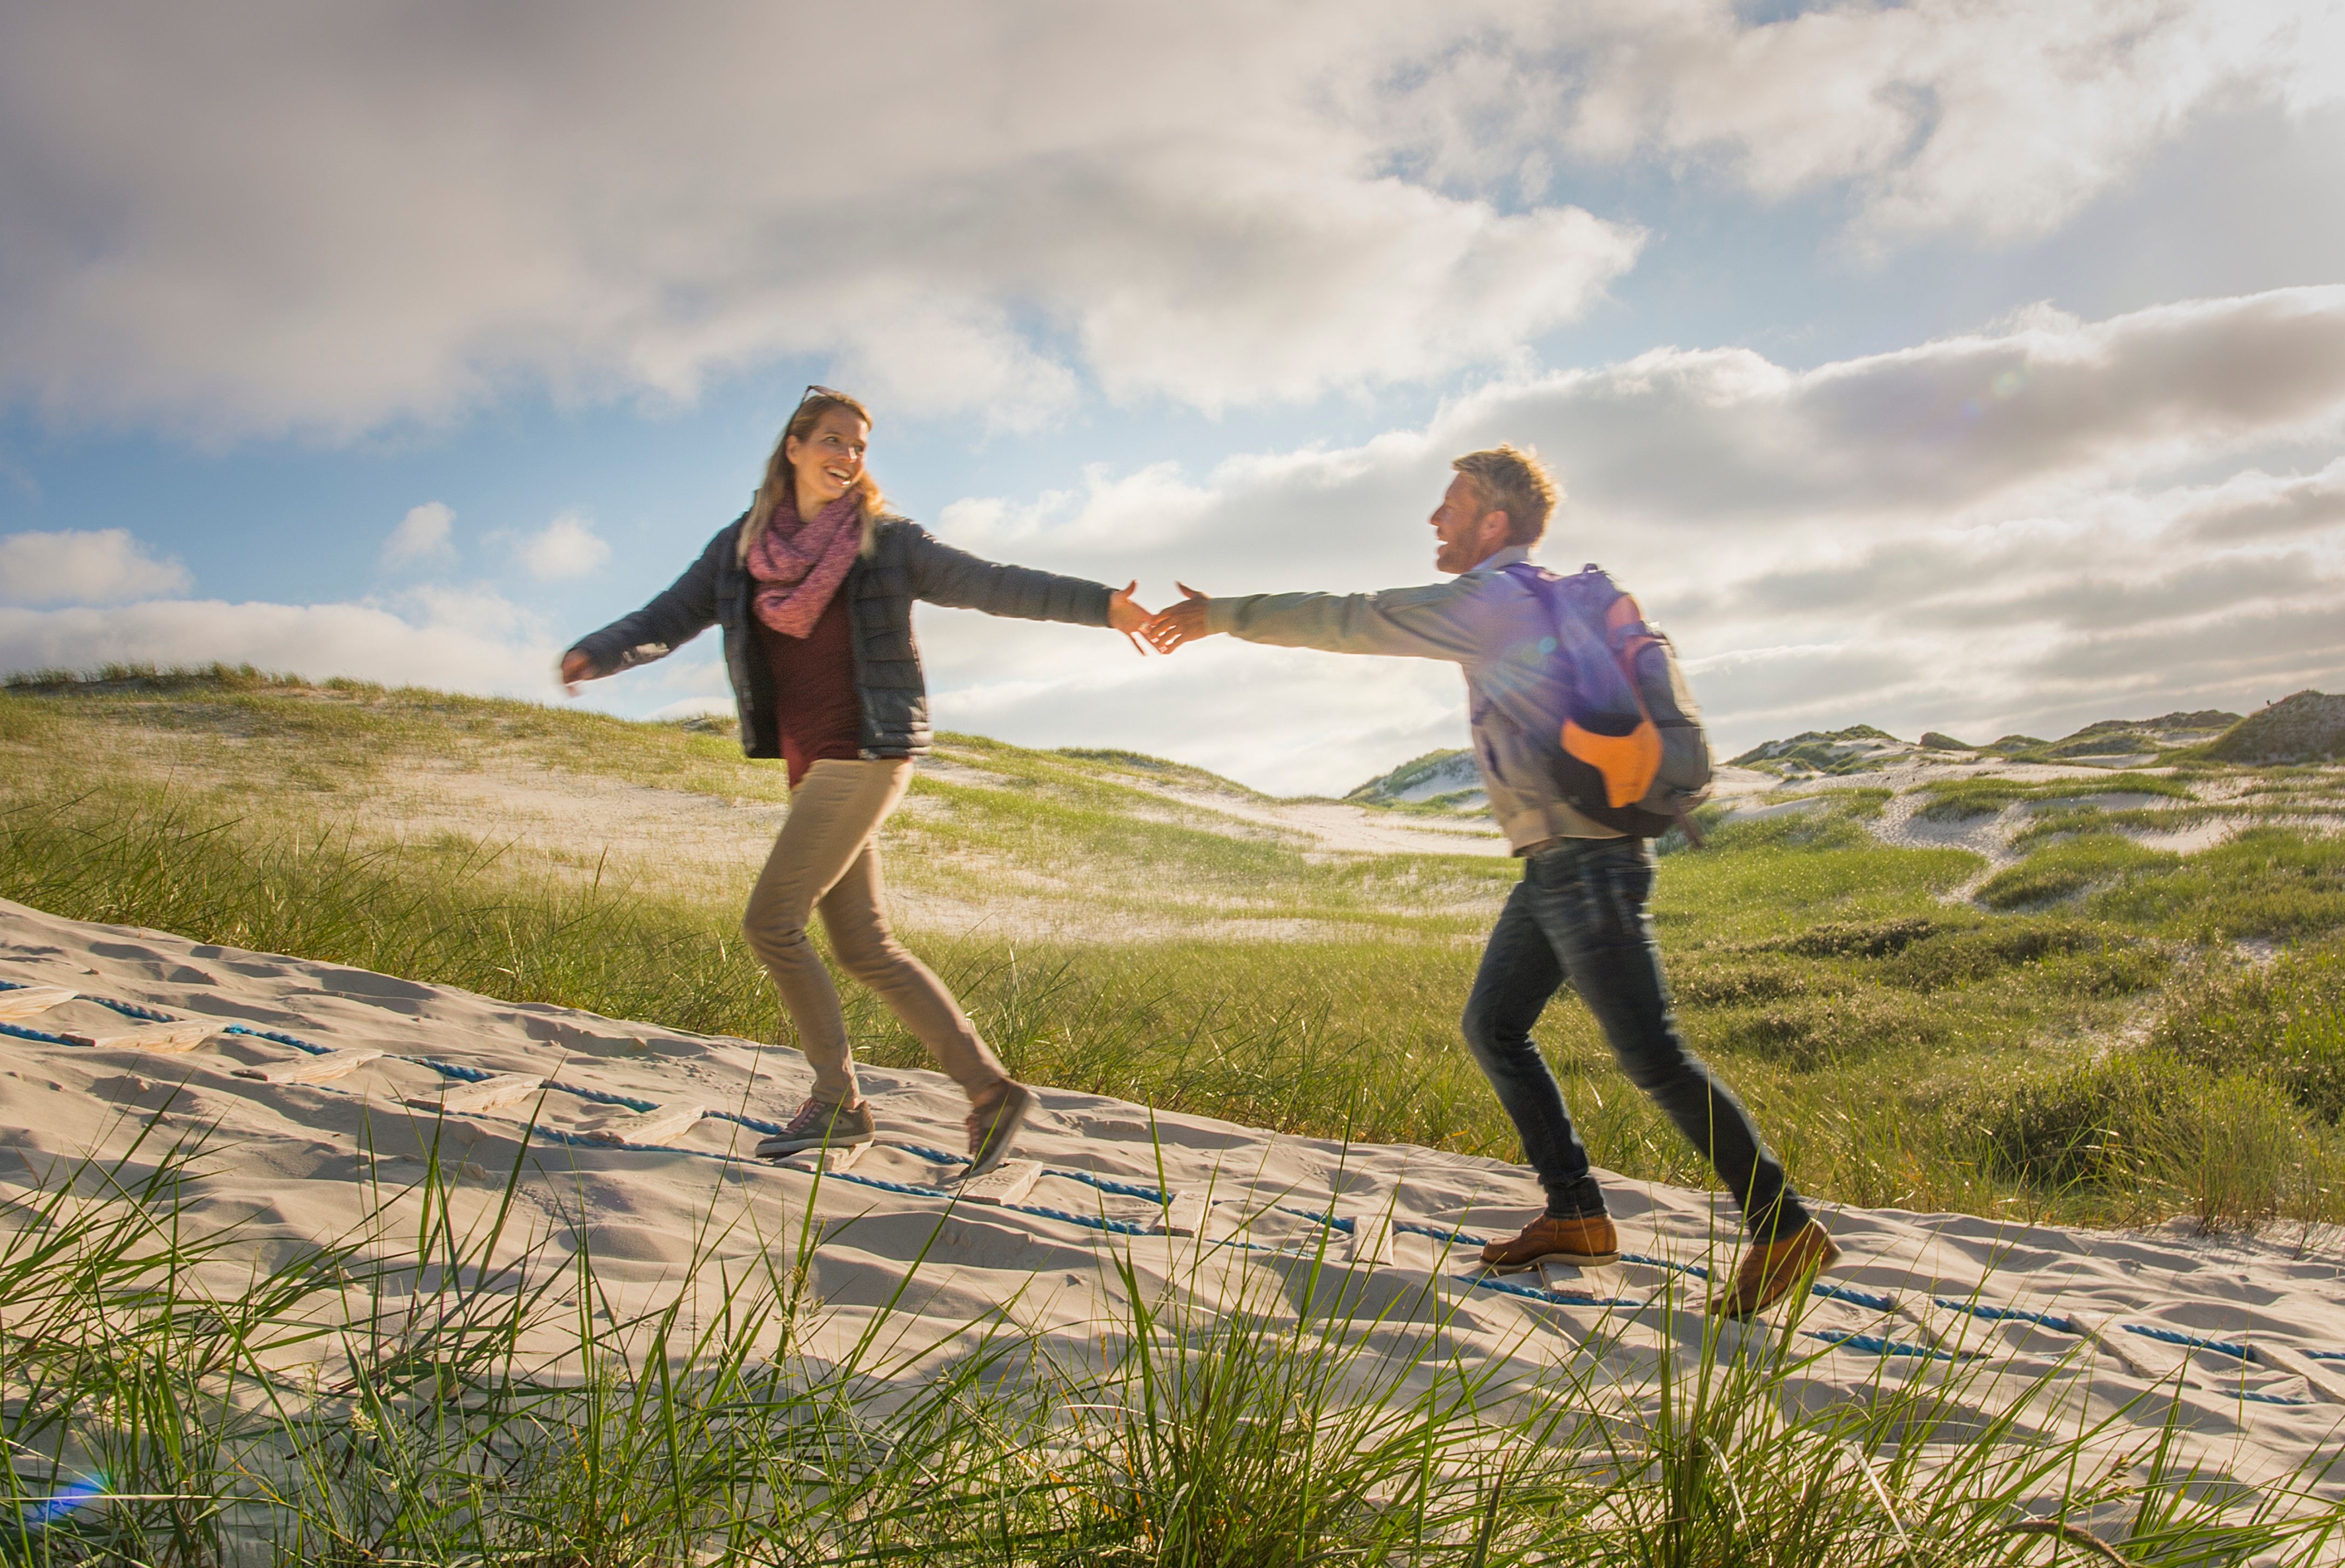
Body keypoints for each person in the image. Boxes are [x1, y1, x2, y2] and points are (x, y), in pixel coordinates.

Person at [1143, 445, 1837, 1319]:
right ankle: (1578, 1213)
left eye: (1450, 506)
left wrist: (1222, 614)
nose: (1435, 521)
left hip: (1584, 863)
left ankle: (1782, 1227)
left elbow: (1354, 616)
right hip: (1559, 862)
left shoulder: (1493, 601)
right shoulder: (1546, 597)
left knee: (1651, 1053)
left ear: (1493, 522)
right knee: (1494, 1025)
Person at [560, 386, 1154, 1175]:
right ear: (795, 448)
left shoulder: (886, 541)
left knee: (771, 923)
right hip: (811, 769)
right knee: (865, 946)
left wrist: (1101, 605)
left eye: (860, 446)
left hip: (869, 754)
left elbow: (992, 582)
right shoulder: (738, 551)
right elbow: (665, 617)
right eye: (834, 440)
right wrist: (598, 654)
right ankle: (990, 1091)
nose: (849, 456)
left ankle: (837, 1101)